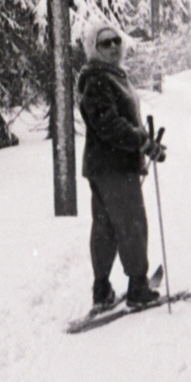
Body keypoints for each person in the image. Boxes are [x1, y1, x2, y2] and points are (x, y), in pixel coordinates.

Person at [77, 17, 165, 312]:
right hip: (113, 168)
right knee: (131, 224)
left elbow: (117, 123)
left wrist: (144, 143)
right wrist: (141, 140)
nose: (114, 47)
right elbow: (109, 124)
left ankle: (102, 290)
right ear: (94, 48)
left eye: (117, 41)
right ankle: (138, 286)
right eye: (105, 43)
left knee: (106, 228)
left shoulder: (113, 74)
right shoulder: (97, 78)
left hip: (106, 166)